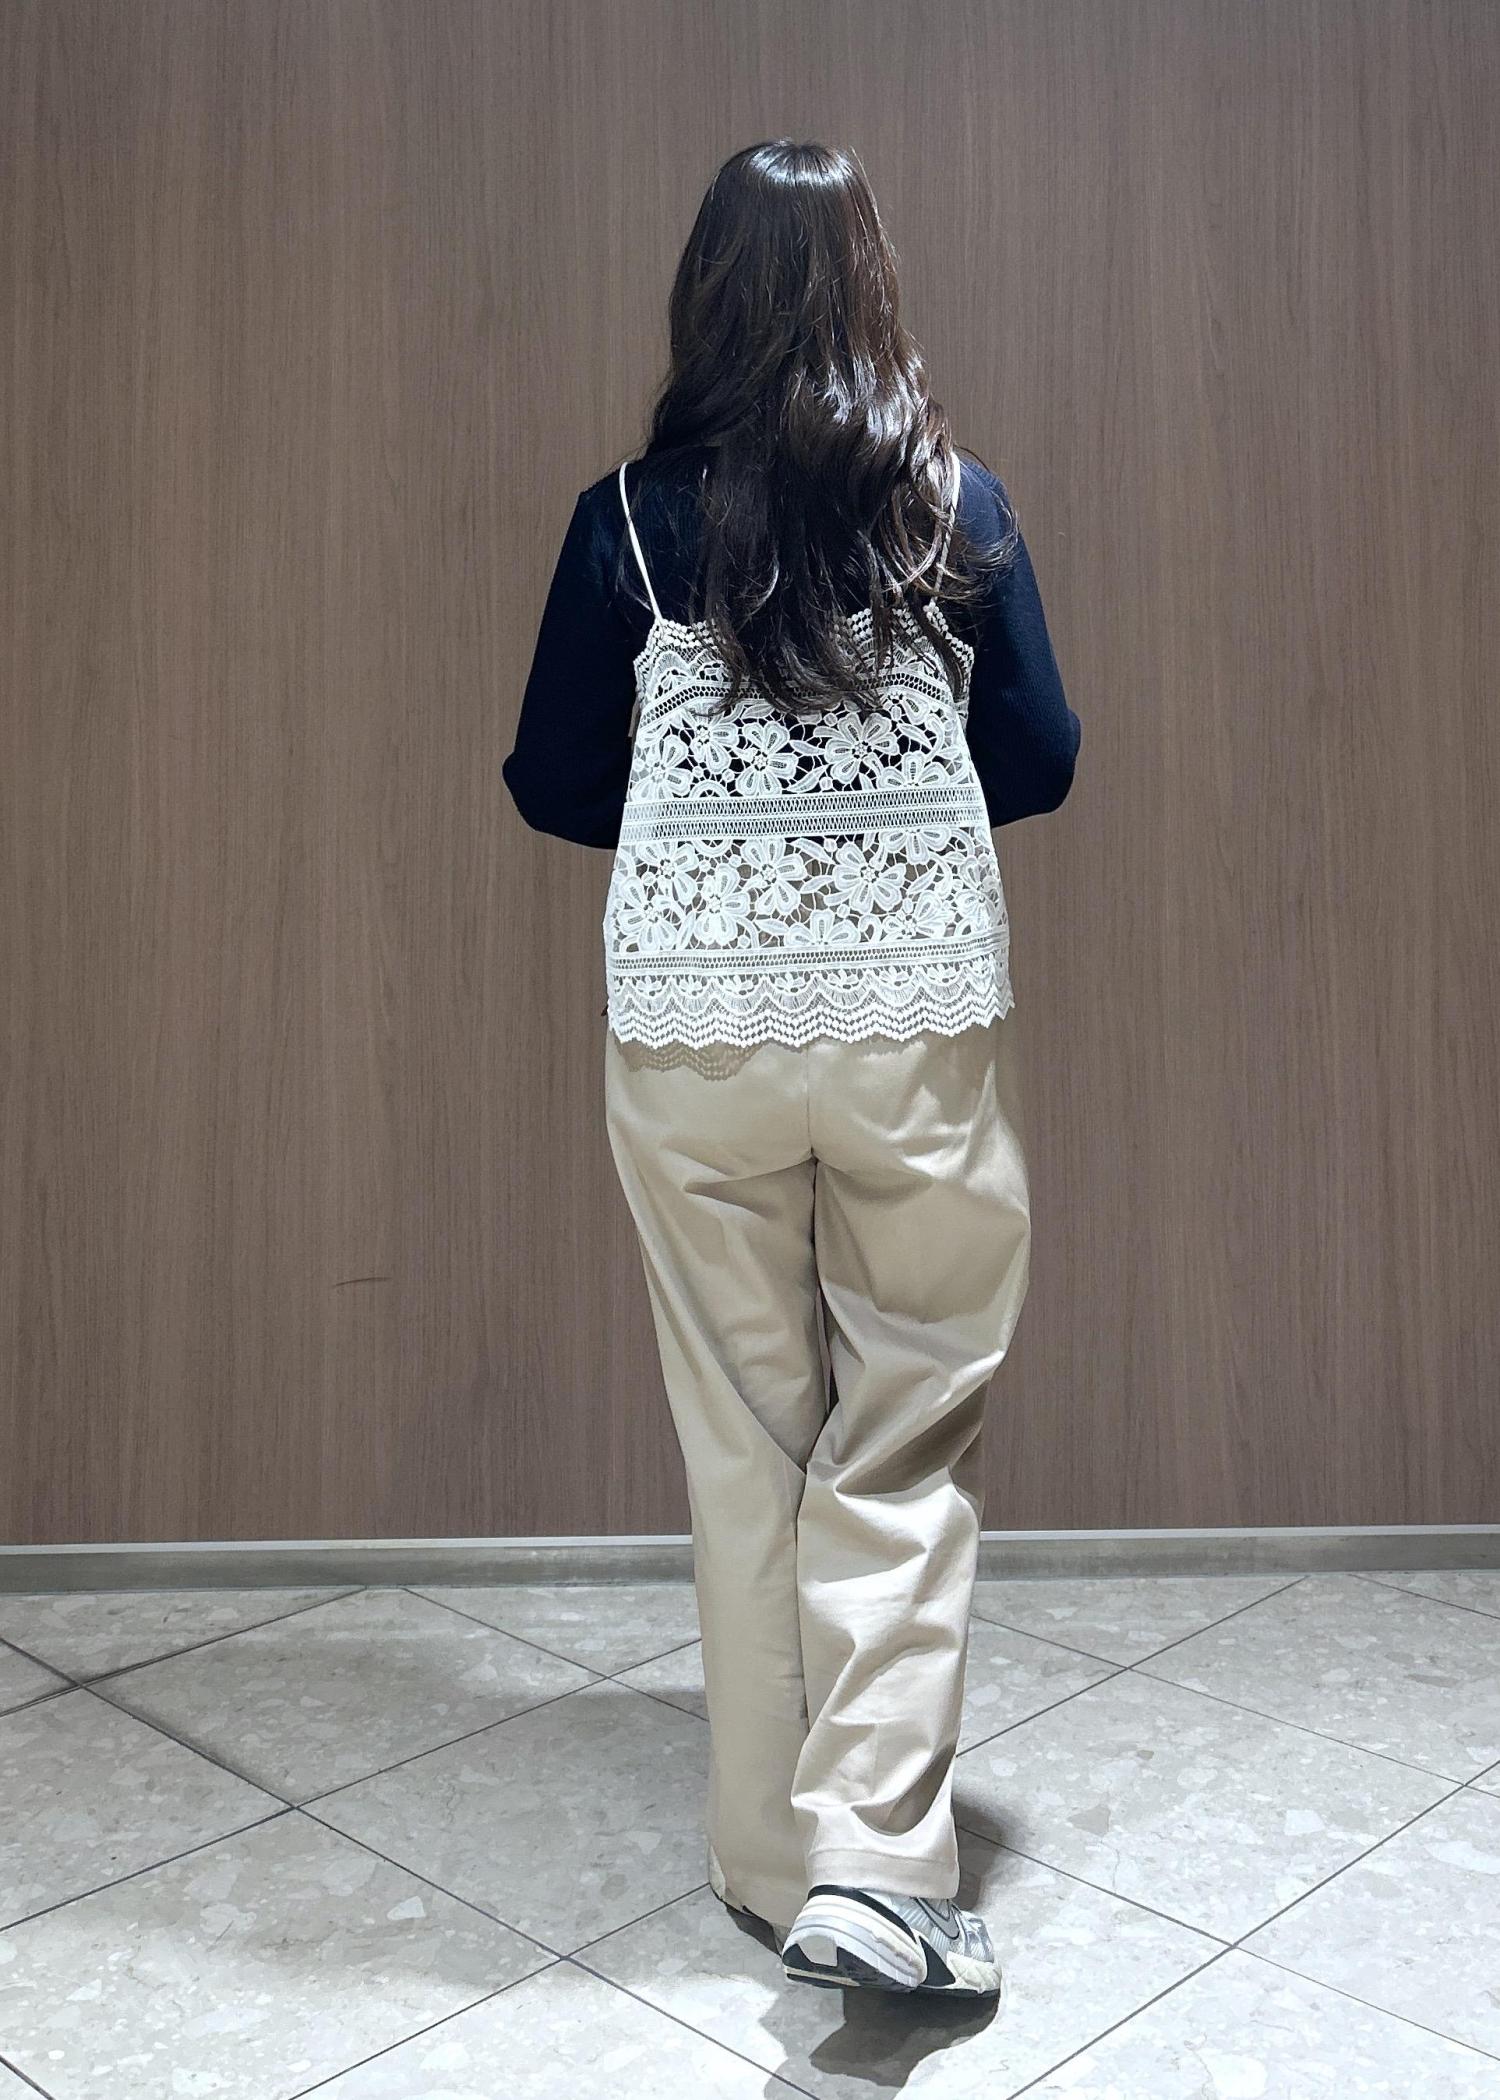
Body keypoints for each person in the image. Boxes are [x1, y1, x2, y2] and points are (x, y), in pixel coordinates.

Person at [503, 139, 1080, 2001]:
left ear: (707, 297)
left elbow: (553, 779)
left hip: (697, 1036)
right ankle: (879, 1865)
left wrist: (725, 818)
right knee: (905, 1431)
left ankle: (771, 1866)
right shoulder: (954, 508)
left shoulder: (626, 522)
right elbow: (1042, 754)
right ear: (870, 290)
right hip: (913, 1028)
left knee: (747, 1445)